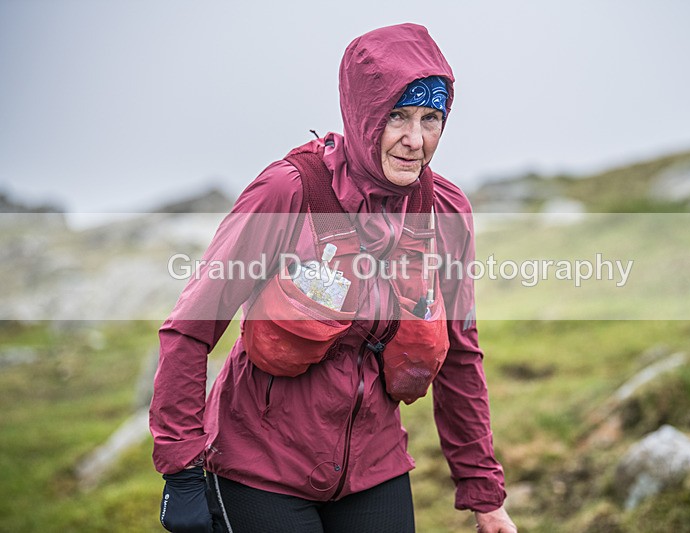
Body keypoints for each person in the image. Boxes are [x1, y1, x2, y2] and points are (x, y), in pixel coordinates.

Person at [150, 23, 517, 533]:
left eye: (432, 118)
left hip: (375, 468)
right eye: (398, 117)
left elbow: (458, 357)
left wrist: (485, 496)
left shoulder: (445, 212)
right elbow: (189, 328)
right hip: (259, 468)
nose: (416, 140)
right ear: (364, 113)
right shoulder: (288, 191)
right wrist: (182, 469)